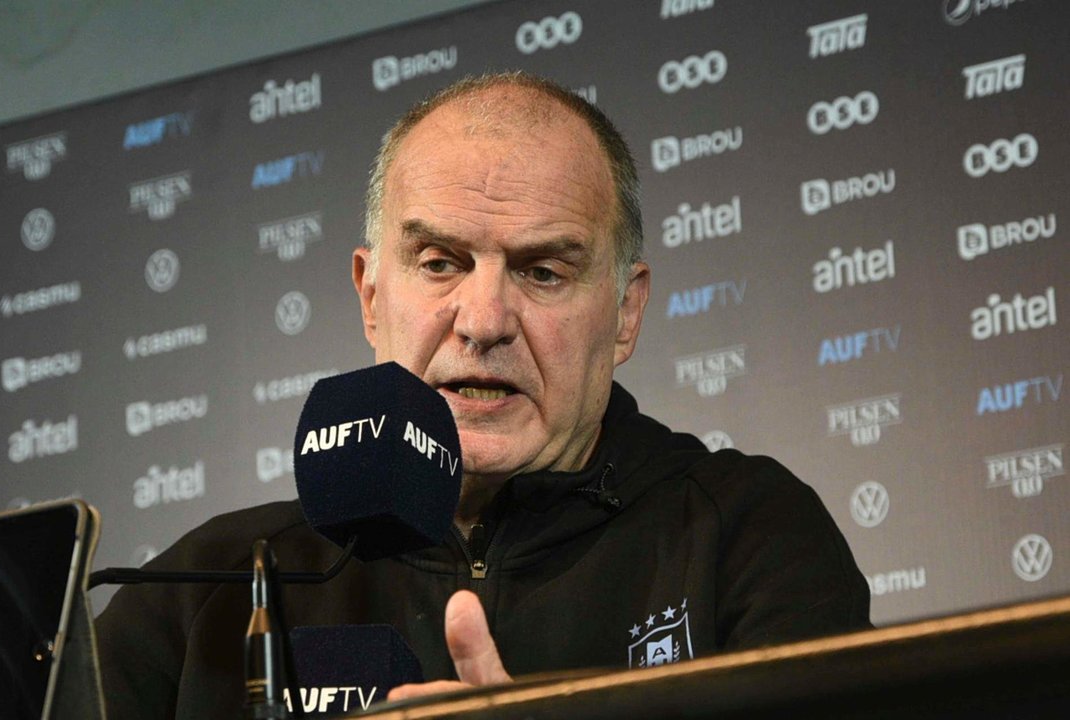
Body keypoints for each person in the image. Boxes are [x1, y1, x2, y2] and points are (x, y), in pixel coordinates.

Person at [95, 72, 871, 718]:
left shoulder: (746, 536)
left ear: (626, 312)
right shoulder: (209, 590)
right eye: (439, 262)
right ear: (371, 297)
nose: (485, 320)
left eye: (543, 271)